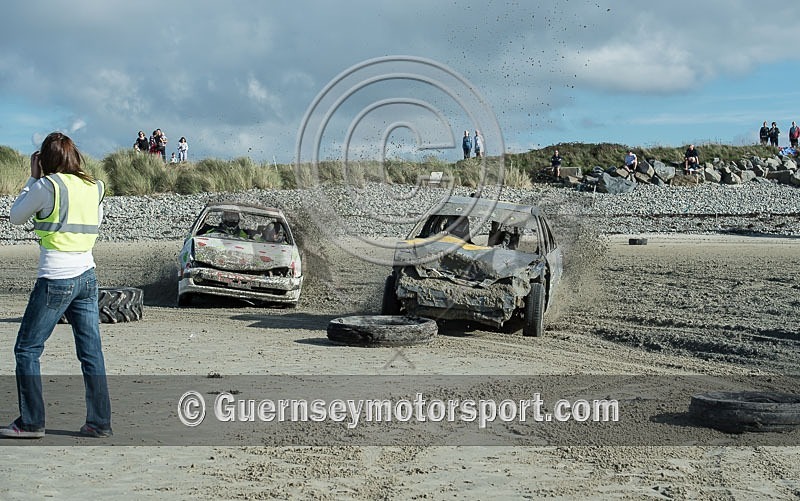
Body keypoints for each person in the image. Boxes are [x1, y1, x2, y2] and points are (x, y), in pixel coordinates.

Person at [2, 132, 111, 439]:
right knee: (91, 352)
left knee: (26, 349)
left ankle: (31, 422)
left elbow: (15, 216)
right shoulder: (95, 187)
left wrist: (31, 179)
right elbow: (95, 222)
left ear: (45, 160)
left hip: (56, 275)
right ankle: (99, 422)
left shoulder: (47, 186)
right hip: (87, 274)